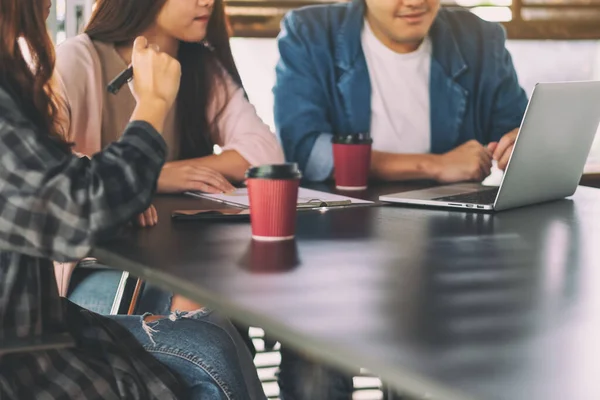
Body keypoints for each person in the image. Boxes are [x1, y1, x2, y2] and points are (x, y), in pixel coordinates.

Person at [0, 0, 264, 398]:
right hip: (26, 346)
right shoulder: (78, 59)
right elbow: (73, 205)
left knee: (211, 340)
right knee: (206, 338)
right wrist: (153, 109)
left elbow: (265, 152)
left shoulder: (200, 65)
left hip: (42, 320)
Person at [273, 0, 528, 397]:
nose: (414, 2)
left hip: (445, 253)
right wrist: (434, 165)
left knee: (444, 365)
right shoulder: (310, 33)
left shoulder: (480, 38)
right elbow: (306, 149)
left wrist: (519, 146)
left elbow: (516, 127)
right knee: (314, 372)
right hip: (334, 249)